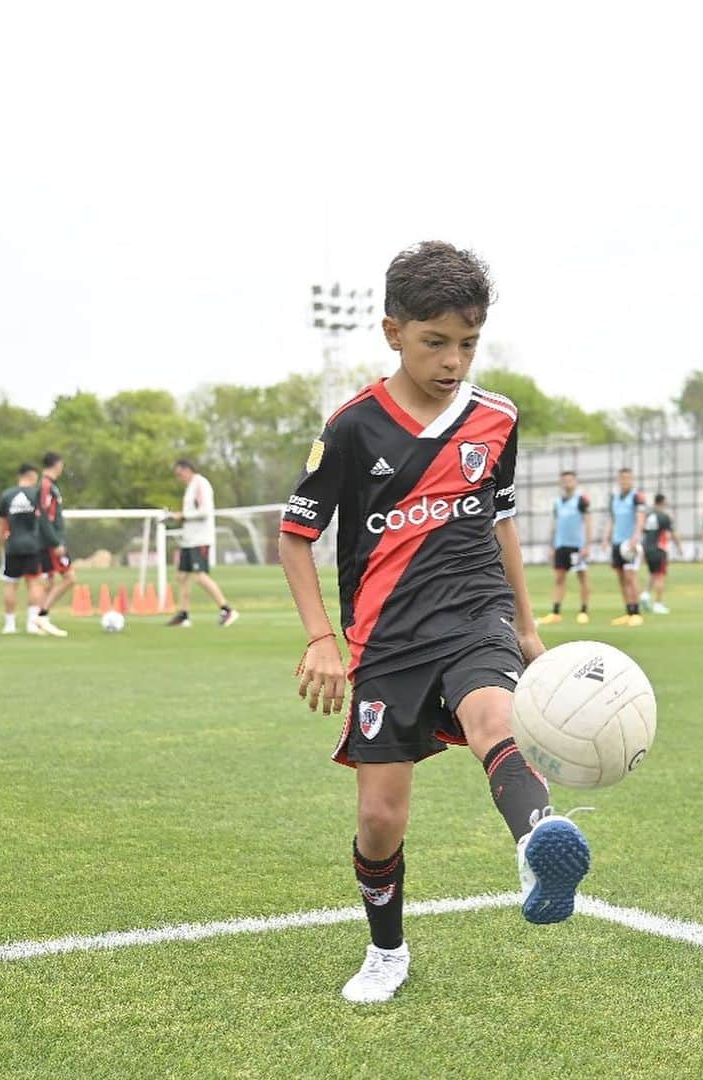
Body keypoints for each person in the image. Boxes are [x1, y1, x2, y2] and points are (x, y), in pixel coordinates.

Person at [278, 241, 590, 1005]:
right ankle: (387, 953)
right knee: (380, 818)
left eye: (468, 343)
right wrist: (324, 637)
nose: (453, 360)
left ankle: (536, 844)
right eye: (435, 342)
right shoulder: (353, 426)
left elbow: (502, 524)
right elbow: (296, 533)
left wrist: (524, 626)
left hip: (474, 613)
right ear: (393, 332)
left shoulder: (496, 419)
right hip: (386, 638)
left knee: (494, 715)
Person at [166, 460, 238, 628]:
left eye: (180, 473)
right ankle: (183, 614)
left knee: (200, 576)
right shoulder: (190, 487)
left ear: (188, 470)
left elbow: (205, 511)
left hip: (200, 539)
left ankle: (227, 609)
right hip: (189, 539)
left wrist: (182, 516)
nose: (179, 478)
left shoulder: (200, 484)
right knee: (182, 576)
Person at [537, 470, 592, 625]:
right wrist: (552, 546)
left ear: (575, 482)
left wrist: (587, 545)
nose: (567, 483)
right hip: (561, 546)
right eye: (565, 480)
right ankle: (555, 611)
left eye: (570, 480)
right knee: (559, 579)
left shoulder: (581, 500)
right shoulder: (558, 502)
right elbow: (554, 525)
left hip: (577, 547)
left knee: (582, 577)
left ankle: (583, 610)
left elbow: (588, 523)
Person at [0, 464, 46, 635]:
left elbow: (2, 524)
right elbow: (44, 521)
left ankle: (9, 624)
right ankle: (32, 623)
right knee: (33, 583)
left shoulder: (7, 495)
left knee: (11, 584)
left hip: (13, 545)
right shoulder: (37, 495)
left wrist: (2, 545)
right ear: (32, 476)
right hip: (33, 545)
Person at [35, 451, 74, 637]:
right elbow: (43, 516)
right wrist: (56, 541)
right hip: (51, 543)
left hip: (50, 541)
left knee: (49, 581)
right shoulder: (45, 486)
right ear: (57, 464)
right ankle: (42, 615)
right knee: (70, 578)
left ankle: (40, 619)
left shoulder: (50, 486)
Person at [601, 467, 646, 627]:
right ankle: (628, 611)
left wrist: (635, 538)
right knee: (621, 578)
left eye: (628, 478)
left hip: (630, 544)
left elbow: (641, 518)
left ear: (632, 479)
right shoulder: (614, 498)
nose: (625, 481)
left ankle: (636, 612)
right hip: (617, 543)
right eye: (622, 478)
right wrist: (606, 538)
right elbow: (612, 520)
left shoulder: (636, 497)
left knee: (630, 577)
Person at [639, 493, 683, 615]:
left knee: (653, 573)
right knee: (660, 576)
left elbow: (644, 532)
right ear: (663, 502)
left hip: (647, 548)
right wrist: (679, 547)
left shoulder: (648, 516)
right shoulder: (664, 516)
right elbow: (673, 533)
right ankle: (658, 604)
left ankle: (645, 594)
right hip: (659, 548)